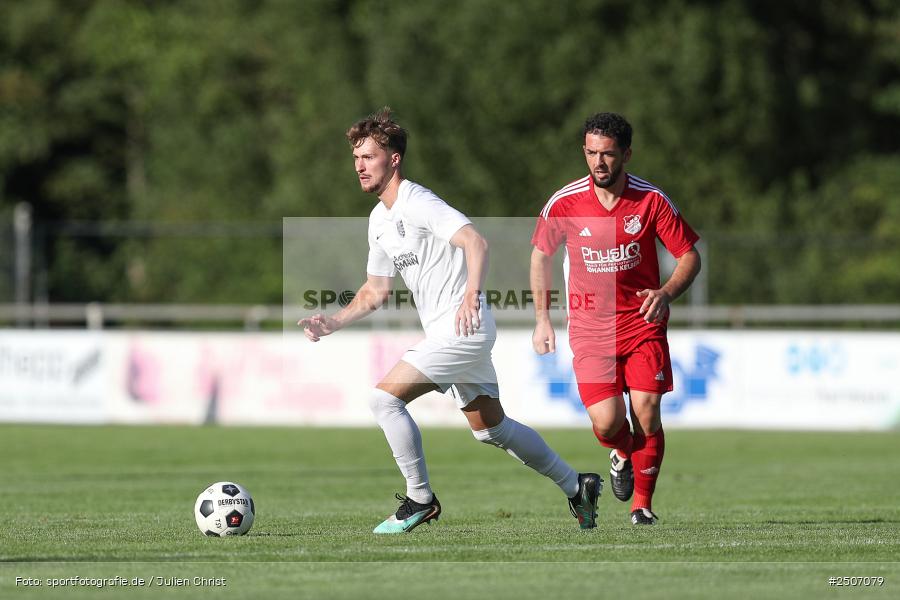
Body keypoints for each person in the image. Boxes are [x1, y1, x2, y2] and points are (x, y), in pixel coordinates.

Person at [299, 108, 601, 533]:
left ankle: (420, 499)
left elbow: (475, 242)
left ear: (395, 159)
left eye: (368, 157)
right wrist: (333, 321)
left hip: (462, 330)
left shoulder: (417, 201)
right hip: (452, 333)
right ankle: (576, 485)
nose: (360, 166)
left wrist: (471, 296)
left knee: (383, 400)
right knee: (491, 430)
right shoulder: (379, 220)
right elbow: (375, 290)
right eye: (356, 159)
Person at [530, 112, 701, 525]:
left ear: (626, 153)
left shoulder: (651, 200)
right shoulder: (565, 201)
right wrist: (542, 317)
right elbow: (541, 255)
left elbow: (688, 256)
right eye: (591, 153)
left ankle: (642, 506)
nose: (598, 163)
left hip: (642, 324)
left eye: (607, 154)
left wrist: (665, 293)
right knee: (608, 424)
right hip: (591, 329)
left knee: (647, 411)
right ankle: (622, 451)